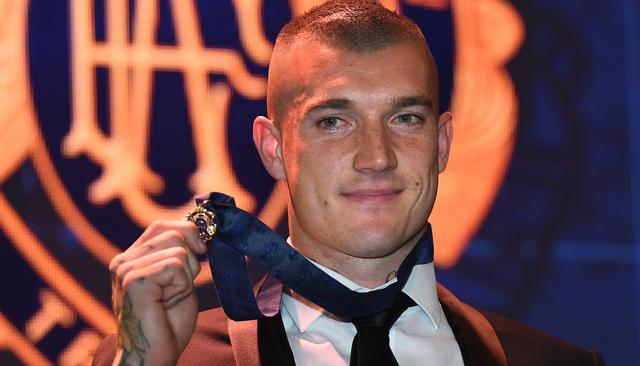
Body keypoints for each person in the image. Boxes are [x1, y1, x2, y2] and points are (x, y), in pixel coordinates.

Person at [93, 1, 605, 365]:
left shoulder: (557, 361)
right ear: (274, 149)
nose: (376, 157)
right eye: (334, 122)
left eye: (406, 119)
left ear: (443, 143)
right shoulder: (164, 359)